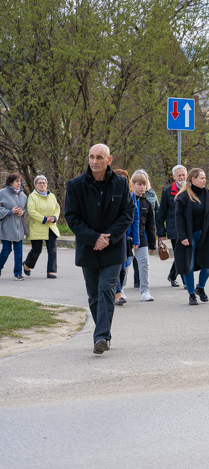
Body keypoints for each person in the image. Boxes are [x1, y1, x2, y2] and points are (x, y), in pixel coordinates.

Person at [64, 144, 136, 354]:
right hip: (88, 248)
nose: (94, 161)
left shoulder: (121, 184)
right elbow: (72, 217)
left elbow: (127, 214)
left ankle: (101, 337)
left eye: (99, 157)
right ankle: (103, 333)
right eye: (91, 157)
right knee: (94, 295)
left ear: (109, 160)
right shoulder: (75, 185)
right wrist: (93, 238)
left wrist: (108, 237)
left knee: (106, 289)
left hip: (113, 249)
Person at [175, 168, 209, 306]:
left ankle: (200, 288)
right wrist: (183, 236)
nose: (204, 180)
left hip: (205, 235)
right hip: (190, 236)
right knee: (188, 266)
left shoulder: (207, 194)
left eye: (205, 178)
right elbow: (178, 219)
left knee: (207, 265)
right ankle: (191, 294)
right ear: (193, 179)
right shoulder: (183, 196)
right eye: (201, 178)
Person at [23, 175, 60, 279]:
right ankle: (27, 264)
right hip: (37, 226)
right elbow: (31, 211)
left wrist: (54, 217)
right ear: (35, 185)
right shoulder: (32, 196)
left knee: (52, 249)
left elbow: (57, 208)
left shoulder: (51, 196)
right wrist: (44, 219)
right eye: (40, 183)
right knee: (36, 250)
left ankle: (51, 271)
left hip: (51, 226)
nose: (42, 184)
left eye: (44, 182)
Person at [156, 165, 187, 287]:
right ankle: (186, 282)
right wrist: (161, 232)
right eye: (179, 175)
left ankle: (172, 275)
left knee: (183, 255)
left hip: (187, 228)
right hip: (174, 229)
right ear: (174, 177)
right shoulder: (168, 191)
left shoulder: (191, 188)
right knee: (181, 255)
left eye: (183, 175)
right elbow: (161, 213)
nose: (181, 177)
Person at [112, 169, 139, 306]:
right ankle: (117, 294)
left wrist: (136, 238)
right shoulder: (109, 194)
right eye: (119, 178)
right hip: (113, 236)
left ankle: (119, 290)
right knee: (115, 265)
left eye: (124, 178)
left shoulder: (131, 195)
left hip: (127, 238)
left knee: (124, 267)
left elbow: (135, 218)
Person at [131, 171, 157, 302]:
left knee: (144, 264)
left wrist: (152, 244)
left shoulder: (147, 203)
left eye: (144, 184)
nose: (142, 187)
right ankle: (119, 291)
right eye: (139, 184)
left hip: (142, 237)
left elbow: (150, 226)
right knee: (123, 266)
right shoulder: (127, 200)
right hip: (127, 237)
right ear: (133, 185)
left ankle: (145, 291)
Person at [0, 173, 28, 280]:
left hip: (18, 227)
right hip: (6, 227)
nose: (19, 183)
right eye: (17, 181)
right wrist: (10, 211)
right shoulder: (2, 193)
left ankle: (18, 273)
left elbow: (25, 208)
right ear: (10, 182)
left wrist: (22, 213)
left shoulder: (23, 195)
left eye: (20, 181)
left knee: (19, 250)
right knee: (6, 249)